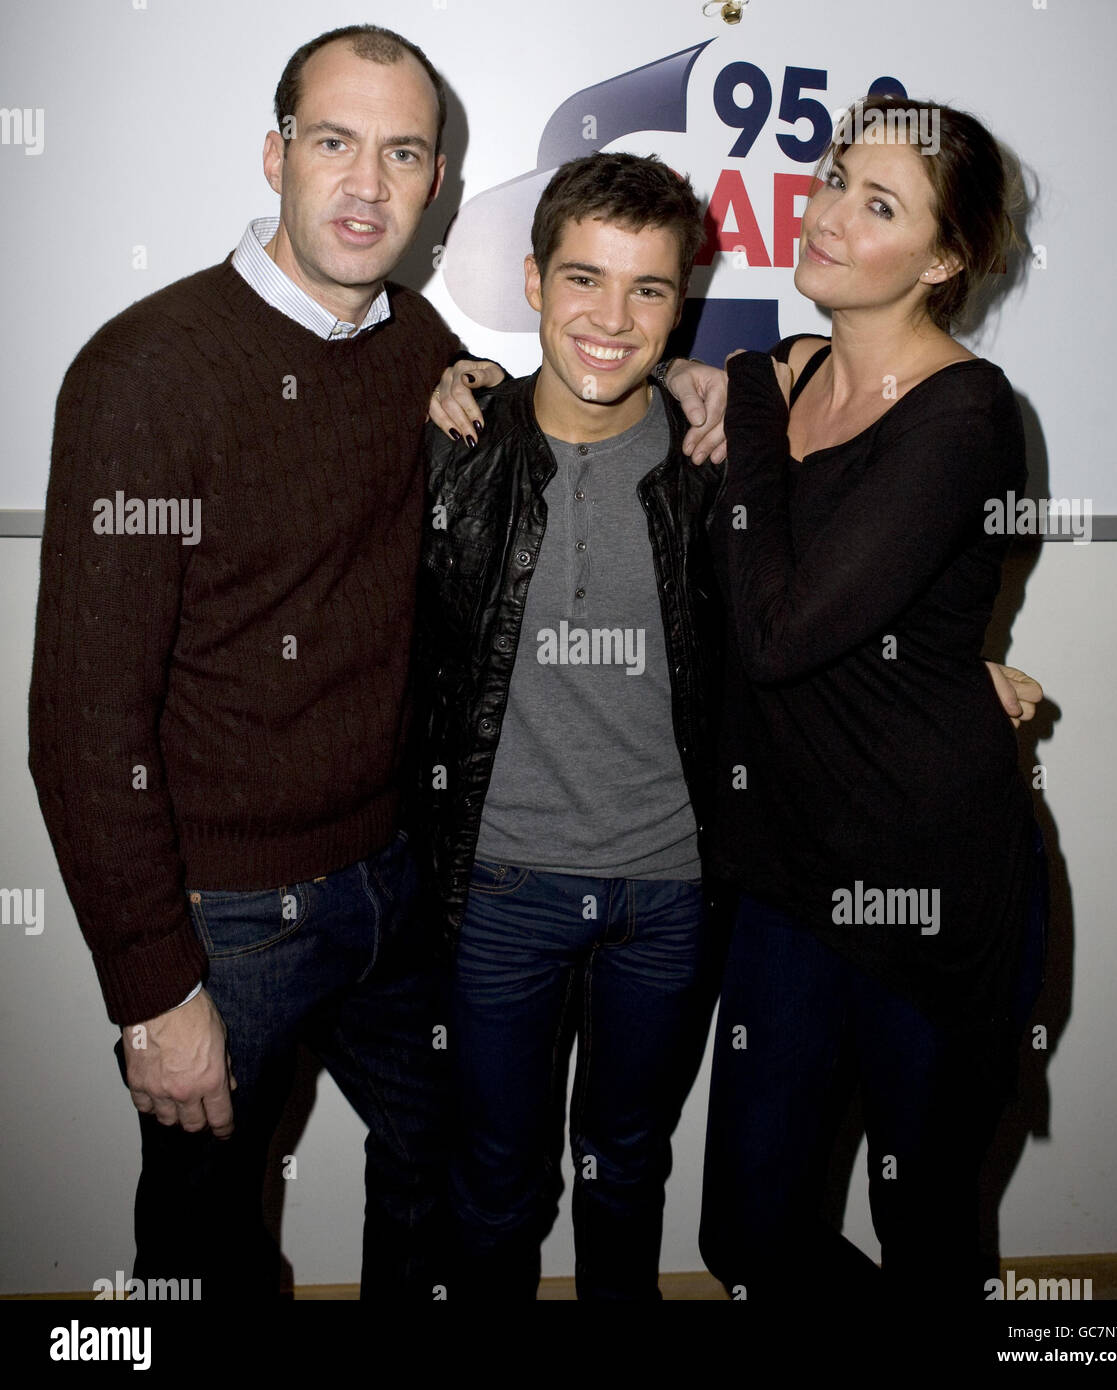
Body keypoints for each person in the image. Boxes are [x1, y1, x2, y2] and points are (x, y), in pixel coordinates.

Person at [28, 24, 463, 1300]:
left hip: (395, 884)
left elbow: (550, 435)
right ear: (276, 154)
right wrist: (154, 993)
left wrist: (718, 396)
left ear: (434, 182)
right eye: (335, 143)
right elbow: (81, 719)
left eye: (402, 153)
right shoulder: (145, 373)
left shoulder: (422, 345)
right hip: (227, 923)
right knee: (200, 1256)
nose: (367, 186)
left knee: (449, 1176)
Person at [697, 96, 1047, 1301]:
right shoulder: (794, 386)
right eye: (837, 176)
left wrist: (746, 380)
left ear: (946, 261)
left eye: (878, 204)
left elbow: (782, 629)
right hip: (791, 878)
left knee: (927, 1228)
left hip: (928, 882)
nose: (830, 213)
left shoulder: (965, 412)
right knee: (746, 1234)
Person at [415, 152, 725, 1301]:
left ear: (679, 302)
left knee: (626, 1172)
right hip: (500, 888)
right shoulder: (458, 441)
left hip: (670, 893)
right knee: (495, 1183)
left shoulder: (715, 464)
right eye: (584, 279)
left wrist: (959, 669)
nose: (612, 318)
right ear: (534, 280)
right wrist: (444, 377)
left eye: (648, 290)